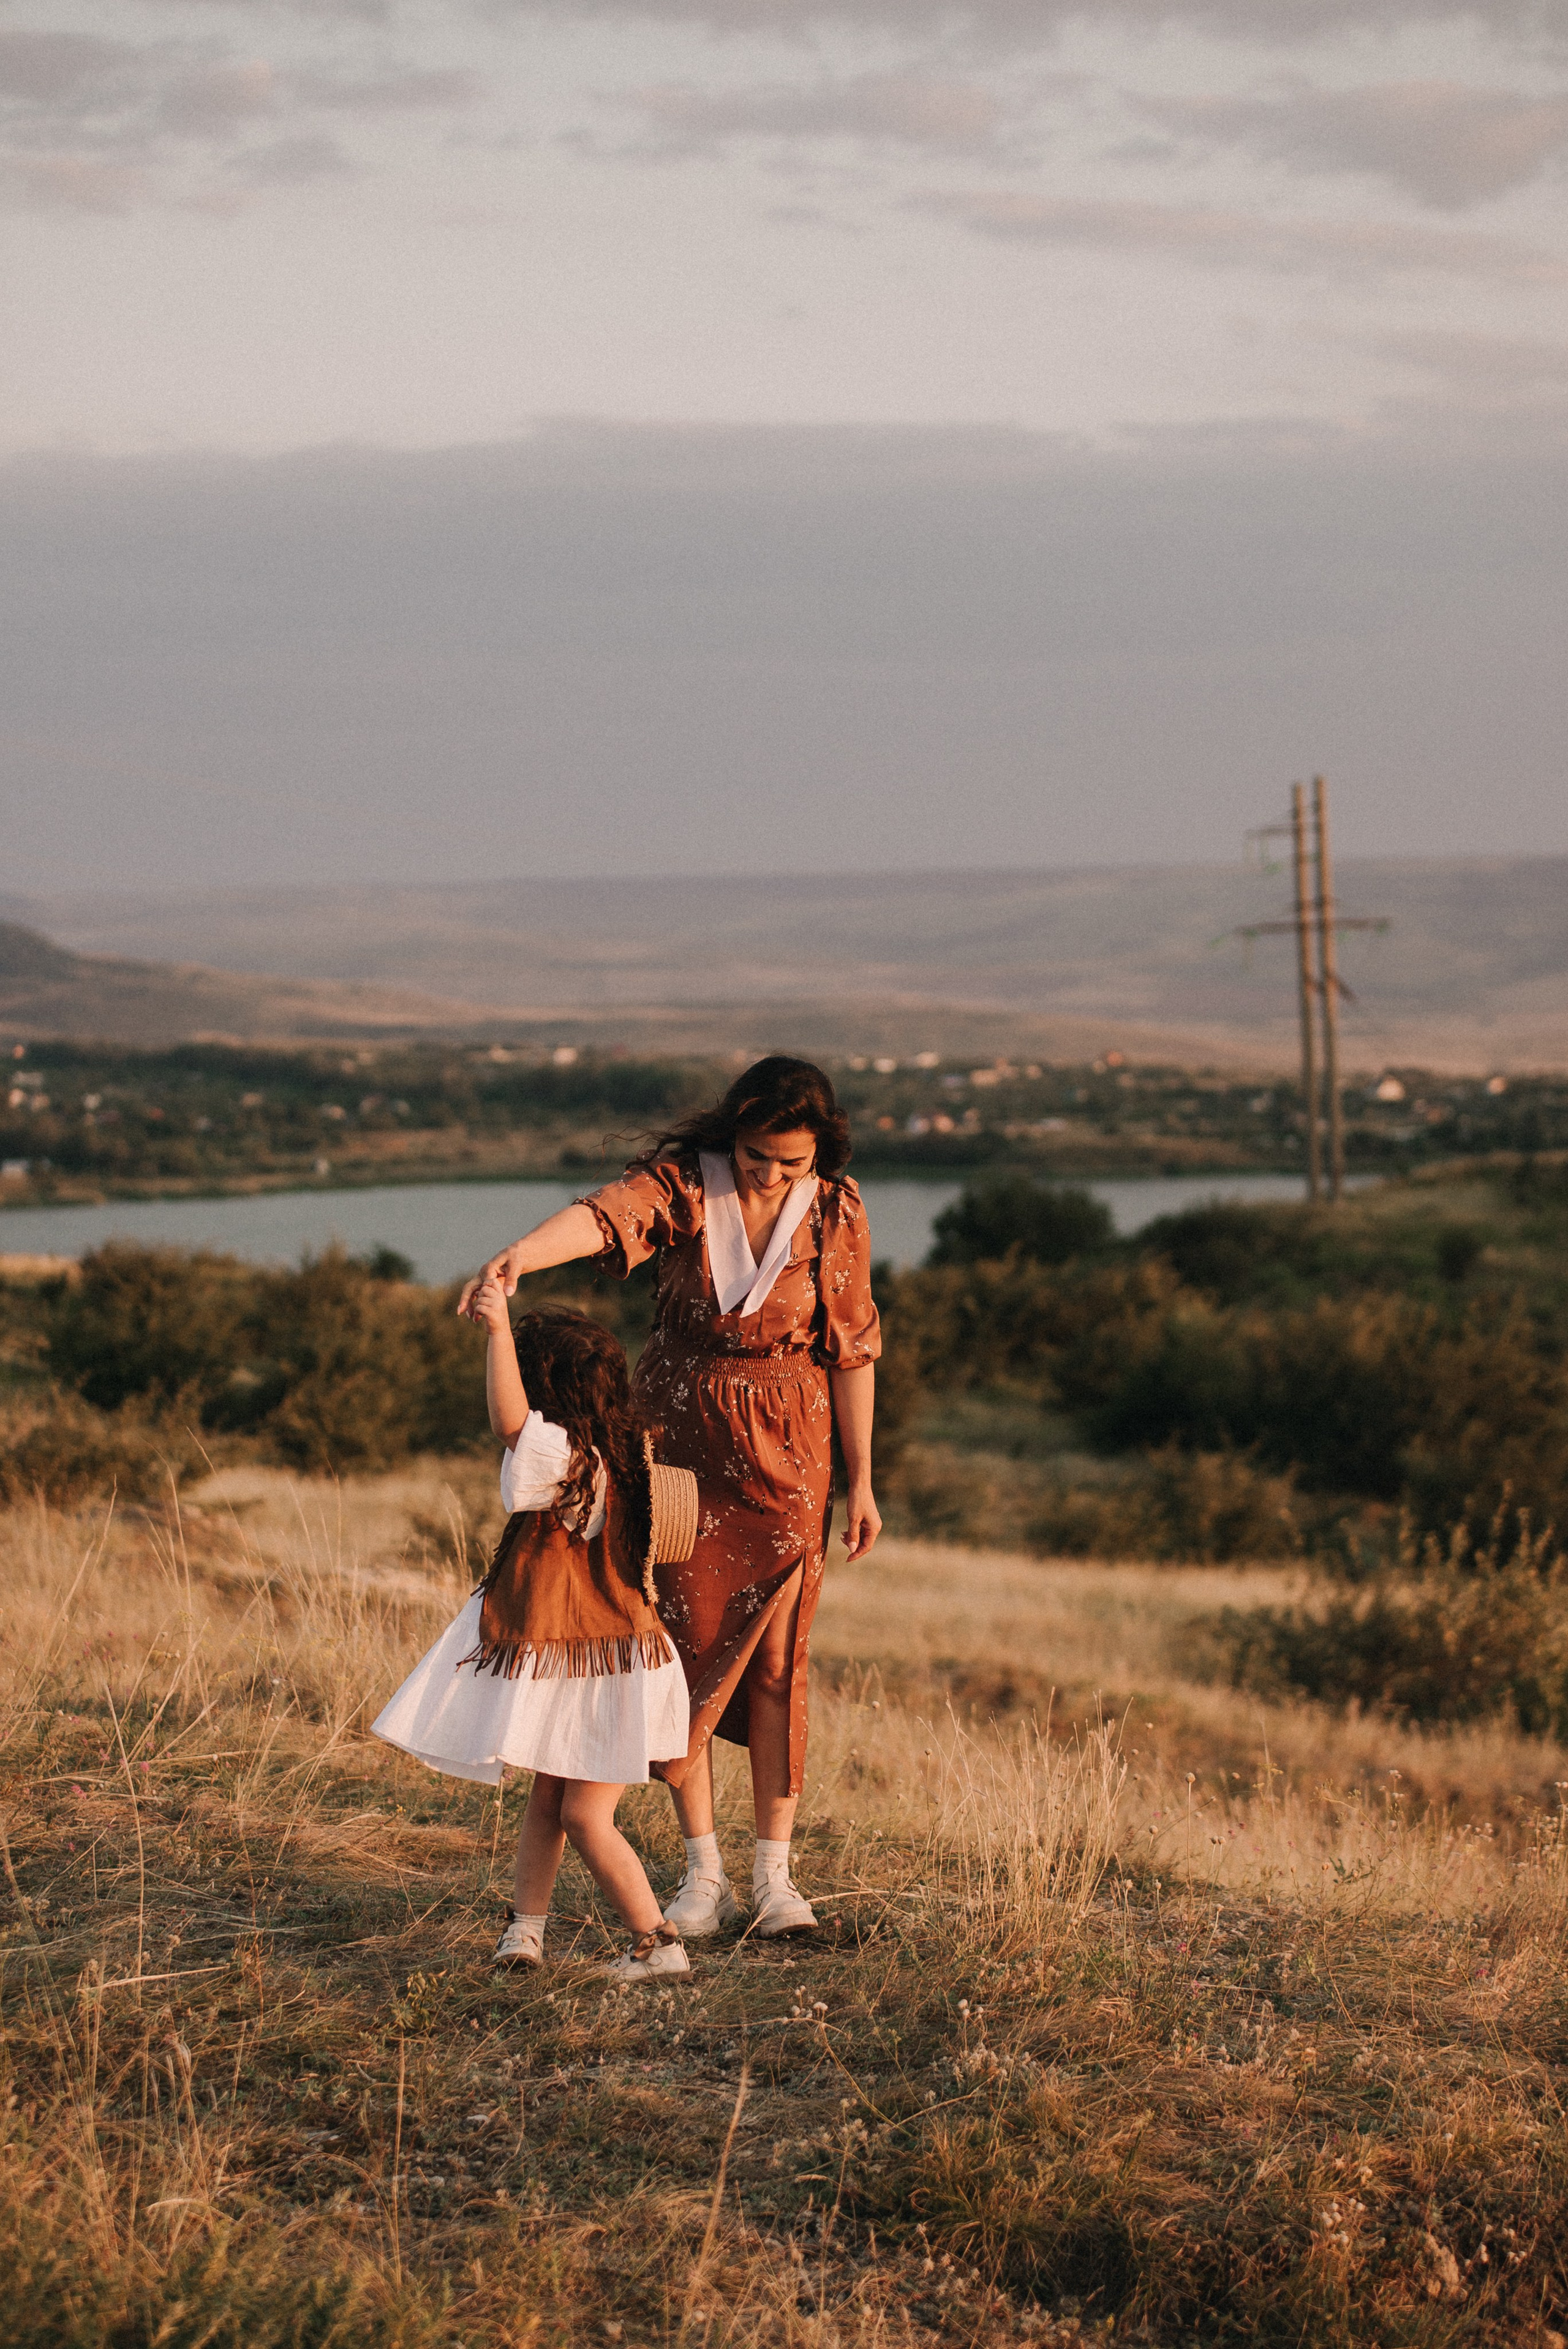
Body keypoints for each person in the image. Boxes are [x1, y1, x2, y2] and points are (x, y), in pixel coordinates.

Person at [459, 1055, 881, 1942]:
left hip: (792, 1460)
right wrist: (520, 1256)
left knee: (774, 1663)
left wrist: (864, 1479)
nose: (768, 1172)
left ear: (820, 1154)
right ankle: (702, 1873)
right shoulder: (690, 1184)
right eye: (757, 1152)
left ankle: (776, 1878)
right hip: (679, 1452)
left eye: (789, 1161)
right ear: (735, 1131)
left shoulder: (839, 1212)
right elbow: (607, 1216)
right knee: (675, 1655)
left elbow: (853, 1350)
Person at [372, 1295, 692, 1983]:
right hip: (594, 1661)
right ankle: (525, 1932)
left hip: (609, 1664)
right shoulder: (614, 1447)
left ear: (550, 1388)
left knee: (583, 1814)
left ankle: (659, 1944)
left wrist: (496, 1331)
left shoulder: (570, 1455)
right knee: (549, 1800)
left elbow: (507, 1422)